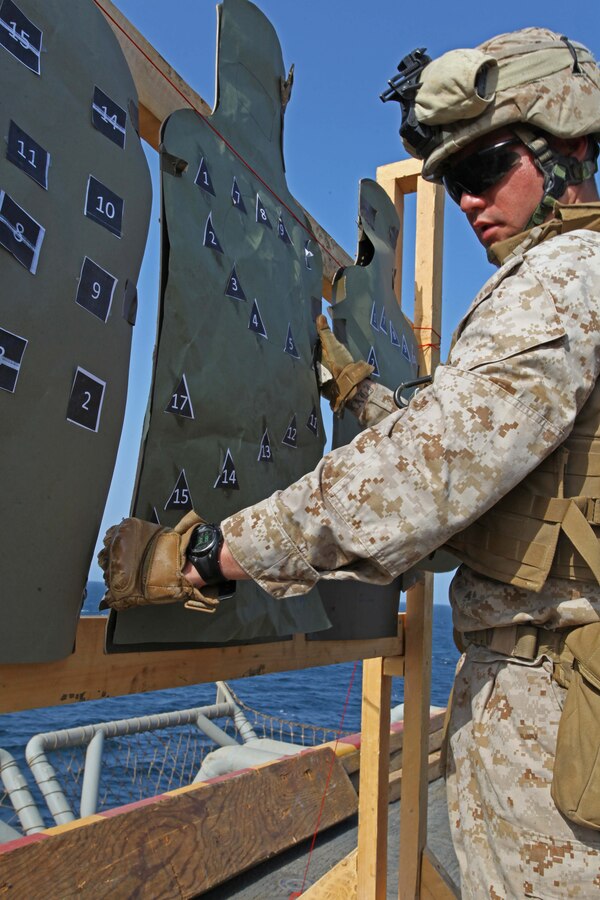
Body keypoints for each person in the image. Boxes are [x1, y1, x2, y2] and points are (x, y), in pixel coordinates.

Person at [99, 27, 600, 897]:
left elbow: (421, 477)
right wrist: (362, 390)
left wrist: (209, 556)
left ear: (568, 146)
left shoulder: (563, 280)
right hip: (542, 694)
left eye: (484, 169)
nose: (468, 201)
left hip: (546, 707)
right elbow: (479, 451)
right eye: (449, 183)